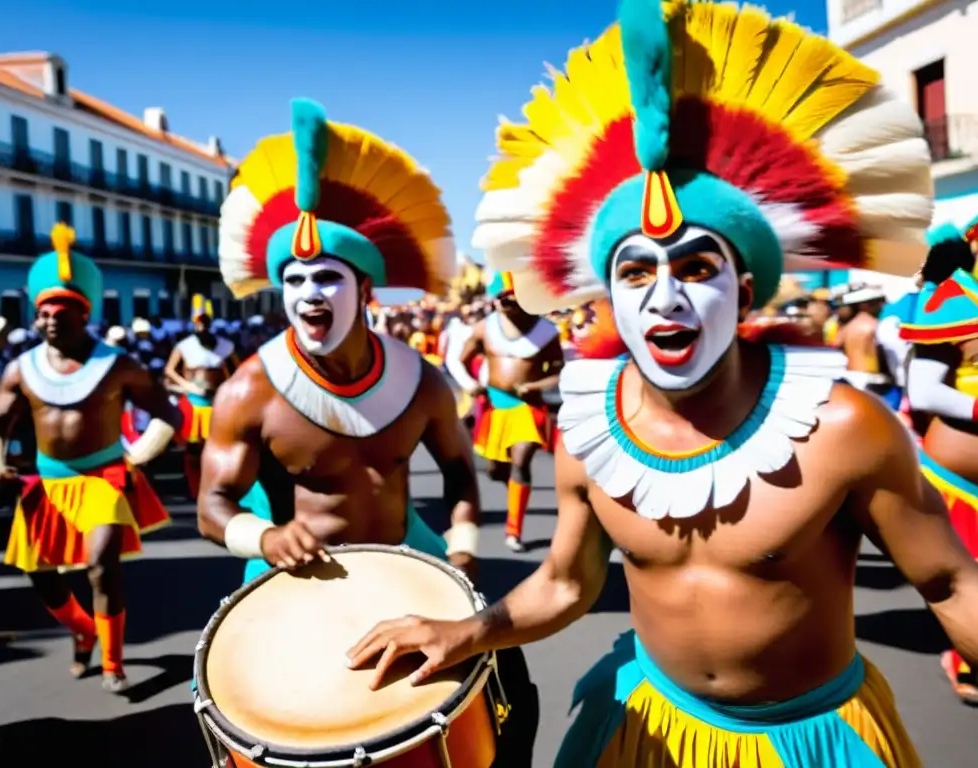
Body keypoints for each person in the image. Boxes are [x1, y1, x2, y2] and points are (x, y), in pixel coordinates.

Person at [347, 1, 978, 765]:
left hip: (811, 737)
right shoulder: (589, 434)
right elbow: (564, 584)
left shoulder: (842, 428)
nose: (666, 296)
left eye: (697, 268)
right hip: (648, 728)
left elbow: (949, 583)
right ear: (609, 298)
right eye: (637, 272)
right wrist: (466, 631)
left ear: (745, 292)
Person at [200, 99, 538, 763]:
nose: (308, 295)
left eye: (326, 277)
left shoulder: (423, 379)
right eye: (293, 280)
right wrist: (264, 535)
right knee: (256, 723)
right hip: (292, 580)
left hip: (411, 562)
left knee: (510, 691)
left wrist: (461, 556)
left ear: (365, 288)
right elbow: (212, 508)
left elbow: (462, 478)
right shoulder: (250, 387)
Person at [0, 223, 178, 692]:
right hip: (45, 485)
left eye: (62, 311)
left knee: (102, 564)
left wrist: (140, 455)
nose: (50, 319)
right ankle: (83, 631)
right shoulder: (19, 369)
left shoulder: (117, 364)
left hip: (104, 480)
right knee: (41, 577)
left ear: (83, 313)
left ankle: (112, 663)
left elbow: (167, 413)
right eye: (43, 311)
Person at [899, 222, 978, 704]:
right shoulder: (952, 300)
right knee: (968, 573)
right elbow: (923, 390)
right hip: (959, 476)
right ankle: (965, 655)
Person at [447, 271, 563, 552]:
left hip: (529, 407)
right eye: (501, 298)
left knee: (522, 460)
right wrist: (470, 385)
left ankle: (514, 530)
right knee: (496, 470)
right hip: (495, 407)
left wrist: (536, 385)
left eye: (512, 298)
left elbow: (559, 370)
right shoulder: (484, 329)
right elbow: (458, 360)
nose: (505, 303)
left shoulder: (547, 332)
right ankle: (505, 477)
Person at [164, 295, 240, 498]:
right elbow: (170, 370)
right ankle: (194, 486)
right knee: (192, 450)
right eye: (198, 322)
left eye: (205, 321)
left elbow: (238, 371)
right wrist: (187, 386)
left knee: (215, 448)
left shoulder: (225, 346)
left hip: (215, 403)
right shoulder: (184, 346)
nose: (202, 326)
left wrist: (228, 390)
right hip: (193, 403)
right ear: (193, 323)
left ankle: (213, 484)